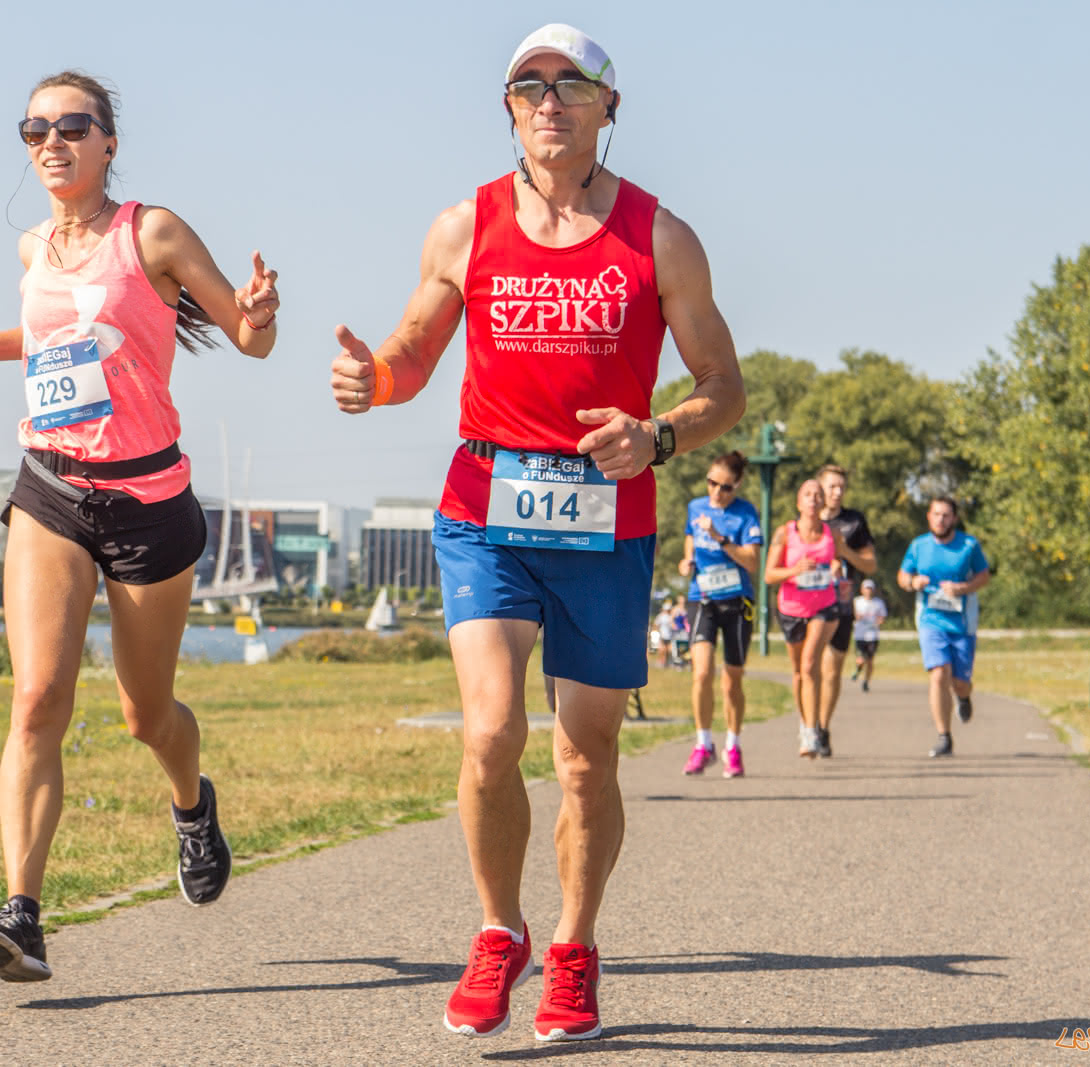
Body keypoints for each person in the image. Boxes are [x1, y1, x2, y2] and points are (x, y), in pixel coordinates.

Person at [329, 23, 743, 1042]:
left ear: (609, 108)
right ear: (508, 108)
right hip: (486, 509)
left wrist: (656, 435)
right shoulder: (463, 226)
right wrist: (372, 380)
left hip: (607, 524)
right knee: (487, 731)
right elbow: (415, 348)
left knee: (585, 756)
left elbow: (723, 389)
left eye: (571, 85)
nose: (549, 100)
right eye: (528, 85)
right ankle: (494, 928)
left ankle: (573, 945)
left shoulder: (660, 236)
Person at [0, 70, 278, 981]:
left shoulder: (154, 232)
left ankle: (191, 802)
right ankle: (21, 912)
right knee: (36, 698)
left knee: (146, 713)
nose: (51, 142)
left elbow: (246, 337)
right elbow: (53, 335)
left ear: (109, 142)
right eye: (35, 129)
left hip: (148, 503)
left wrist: (256, 316)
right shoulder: (35, 248)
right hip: (52, 489)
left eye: (73, 125)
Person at [676, 451, 762, 777]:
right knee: (700, 674)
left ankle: (733, 745)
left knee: (731, 681)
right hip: (703, 598)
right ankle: (702, 744)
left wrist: (720, 538)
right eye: (712, 483)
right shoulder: (696, 507)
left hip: (737, 601)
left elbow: (752, 562)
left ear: (737, 485)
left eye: (725, 487)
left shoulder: (746, 514)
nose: (716, 492)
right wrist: (687, 560)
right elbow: (689, 536)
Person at [898, 496, 991, 758]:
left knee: (959, 682)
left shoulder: (969, 545)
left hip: (962, 622)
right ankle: (944, 736)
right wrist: (913, 582)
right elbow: (902, 575)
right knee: (938, 674)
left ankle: (963, 697)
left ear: (954, 519)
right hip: (930, 619)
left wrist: (963, 588)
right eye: (936, 514)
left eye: (946, 515)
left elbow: (984, 576)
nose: (941, 519)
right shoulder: (919, 546)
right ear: (929, 516)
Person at [763, 479, 849, 759]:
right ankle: (804, 724)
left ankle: (812, 731)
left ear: (823, 502)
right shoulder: (784, 533)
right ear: (799, 502)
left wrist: (838, 570)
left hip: (824, 606)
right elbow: (768, 575)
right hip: (791, 609)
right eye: (808, 494)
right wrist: (794, 569)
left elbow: (837, 564)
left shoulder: (832, 534)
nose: (813, 499)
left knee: (811, 662)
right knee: (800, 672)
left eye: (818, 495)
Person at [813, 464, 877, 756]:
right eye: (832, 486)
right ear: (819, 487)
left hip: (841, 605)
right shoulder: (806, 521)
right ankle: (808, 724)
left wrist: (844, 551)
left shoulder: (854, 522)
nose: (837, 492)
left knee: (832, 670)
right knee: (809, 669)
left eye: (842, 487)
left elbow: (870, 565)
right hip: (808, 605)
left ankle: (822, 728)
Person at [851, 578, 887, 691]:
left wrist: (879, 621)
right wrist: (857, 617)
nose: (868, 591)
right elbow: (852, 615)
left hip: (872, 635)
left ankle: (866, 681)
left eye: (870, 589)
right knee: (861, 659)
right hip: (860, 635)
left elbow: (882, 617)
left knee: (870, 661)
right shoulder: (857, 601)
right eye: (866, 588)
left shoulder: (878, 603)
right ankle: (858, 669)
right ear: (862, 590)